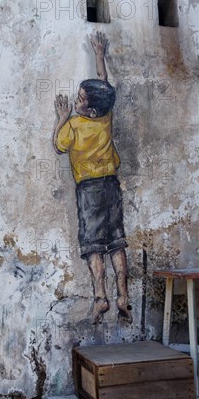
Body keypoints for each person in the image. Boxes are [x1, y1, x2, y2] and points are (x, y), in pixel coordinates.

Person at [53, 32, 132, 324]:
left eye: (81, 99)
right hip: (111, 184)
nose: (77, 100)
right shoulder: (105, 117)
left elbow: (59, 146)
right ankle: (123, 295)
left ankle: (101, 297)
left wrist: (61, 117)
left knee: (93, 245)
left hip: (89, 190)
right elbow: (105, 83)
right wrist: (99, 53)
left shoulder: (73, 124)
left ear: (92, 108)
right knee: (117, 241)